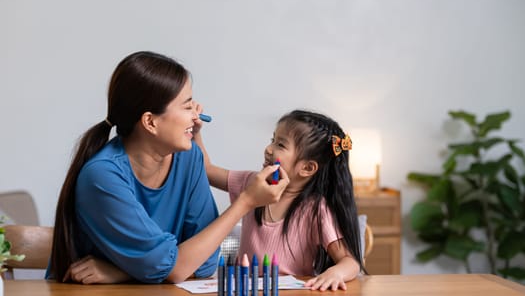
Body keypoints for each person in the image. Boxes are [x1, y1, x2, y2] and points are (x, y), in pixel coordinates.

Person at [48, 51, 289, 284]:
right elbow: (176, 269)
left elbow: (204, 263)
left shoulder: (189, 158)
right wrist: (245, 202)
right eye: (187, 107)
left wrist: (125, 271)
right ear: (150, 121)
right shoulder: (102, 175)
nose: (196, 117)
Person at [194, 109, 366, 291]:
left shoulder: (315, 209)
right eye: (272, 140)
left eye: (280, 145)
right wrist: (195, 133)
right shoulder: (252, 183)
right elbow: (206, 169)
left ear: (307, 168)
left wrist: (336, 273)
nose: (268, 149)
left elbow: (350, 262)